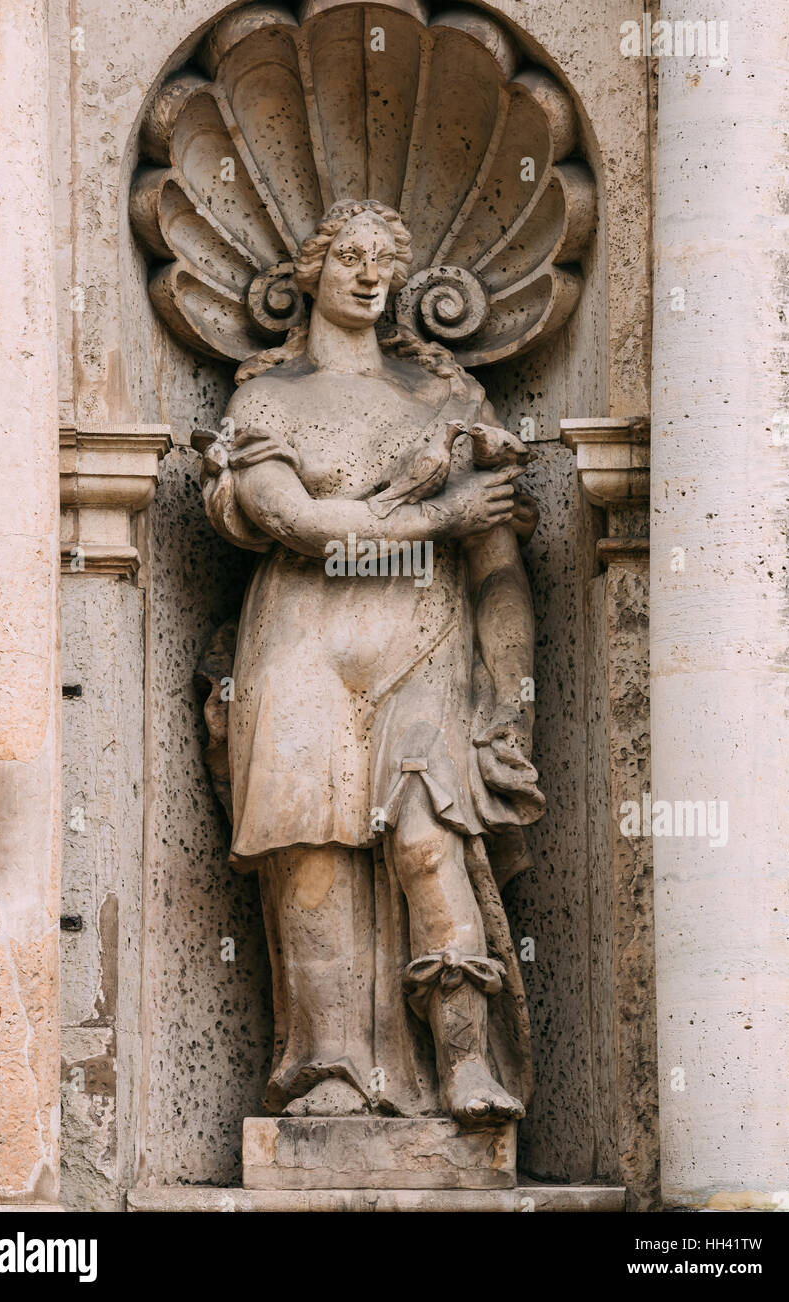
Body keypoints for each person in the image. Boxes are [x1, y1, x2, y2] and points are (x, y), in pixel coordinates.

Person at [198, 198, 545, 1126]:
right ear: (311, 269)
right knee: (309, 853)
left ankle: (466, 1066)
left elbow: (500, 571)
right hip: (301, 644)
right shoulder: (265, 401)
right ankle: (330, 1070)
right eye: (348, 255)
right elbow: (308, 533)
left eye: (383, 263)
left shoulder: (447, 399)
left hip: (423, 640)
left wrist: (510, 703)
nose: (366, 275)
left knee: (430, 841)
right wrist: (435, 519)